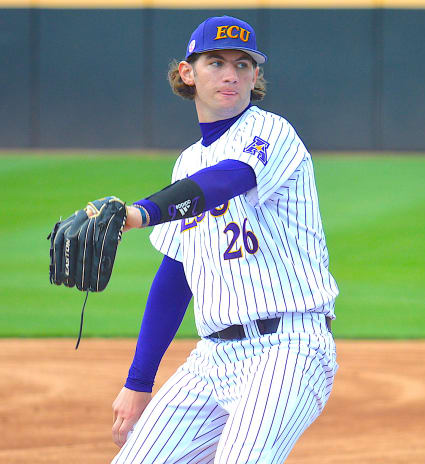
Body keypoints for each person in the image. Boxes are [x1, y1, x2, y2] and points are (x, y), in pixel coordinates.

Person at [109, 15, 339, 463]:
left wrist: (140, 213)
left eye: (243, 64)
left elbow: (226, 179)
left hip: (289, 349)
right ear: (187, 74)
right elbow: (175, 278)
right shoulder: (186, 163)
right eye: (216, 62)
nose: (231, 73)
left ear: (255, 77)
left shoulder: (272, 132)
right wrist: (138, 382)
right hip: (212, 359)